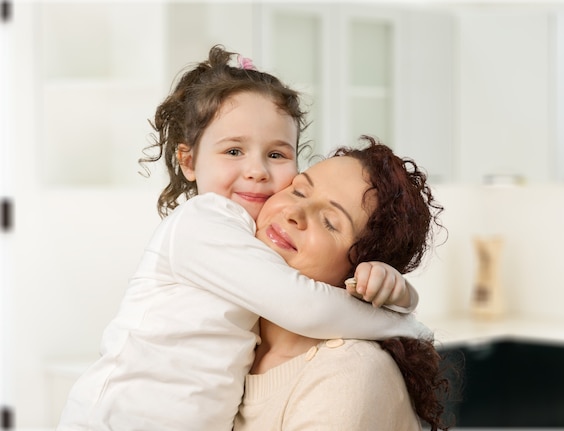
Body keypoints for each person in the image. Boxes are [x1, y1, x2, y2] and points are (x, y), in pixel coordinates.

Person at [57, 46, 429, 431]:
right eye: (233, 150)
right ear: (188, 161)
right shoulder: (202, 224)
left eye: (276, 154)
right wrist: (405, 324)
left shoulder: (253, 247)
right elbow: (305, 306)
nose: (256, 170)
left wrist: (398, 291)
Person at [234, 137, 450, 431]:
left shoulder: (348, 373)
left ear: (361, 268)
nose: (294, 214)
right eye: (298, 191)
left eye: (330, 222)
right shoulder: (234, 339)